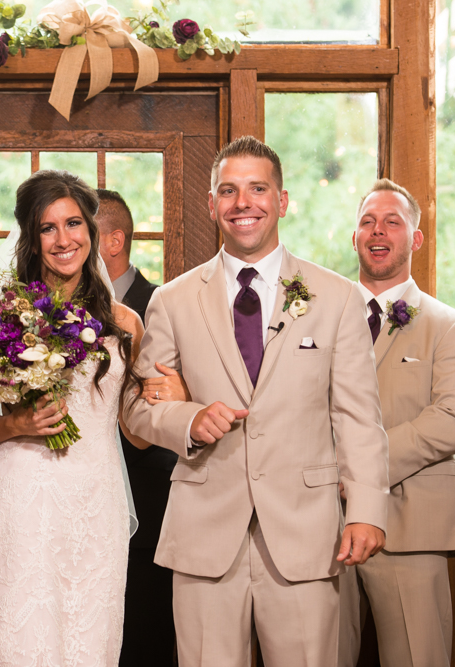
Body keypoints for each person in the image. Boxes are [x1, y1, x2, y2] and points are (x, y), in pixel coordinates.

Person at [123, 136, 389, 667]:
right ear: (212, 203)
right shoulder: (172, 301)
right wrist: (189, 418)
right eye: (229, 190)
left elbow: (359, 416)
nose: (243, 202)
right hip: (203, 531)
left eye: (257, 189)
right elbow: (138, 406)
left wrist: (367, 511)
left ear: (282, 201)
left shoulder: (335, 297)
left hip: (305, 533)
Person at [0, 170, 148, 665]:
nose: (64, 239)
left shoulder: (126, 325)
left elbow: (134, 427)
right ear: (31, 238)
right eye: (48, 228)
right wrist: (16, 425)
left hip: (96, 498)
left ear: (93, 230)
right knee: (20, 638)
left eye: (74, 223)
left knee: (90, 639)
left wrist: (168, 394)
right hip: (25, 495)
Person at [337, 179, 455, 667]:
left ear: (415, 238)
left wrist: (359, 468)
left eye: (392, 222)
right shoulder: (314, 319)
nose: (378, 232)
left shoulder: (450, 326)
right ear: (353, 236)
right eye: (367, 222)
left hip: (414, 523)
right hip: (320, 520)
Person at [95, 188, 177, 666]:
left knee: (144, 640)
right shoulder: (56, 310)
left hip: (147, 507)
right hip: (77, 499)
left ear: (113, 240)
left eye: (83, 230)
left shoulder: (163, 305)